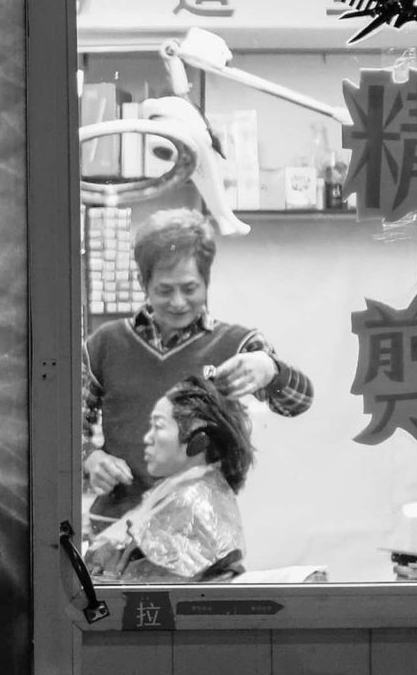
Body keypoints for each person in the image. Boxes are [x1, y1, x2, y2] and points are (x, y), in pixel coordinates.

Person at [83, 207, 310, 524]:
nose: (178, 302)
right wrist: (89, 458)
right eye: (164, 290)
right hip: (117, 527)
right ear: (142, 282)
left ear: (207, 280)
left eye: (190, 288)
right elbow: (62, 425)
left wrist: (271, 371)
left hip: (201, 530)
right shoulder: (106, 343)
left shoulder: (236, 345)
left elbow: (298, 402)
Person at [84, 377, 253, 582]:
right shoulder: (186, 491)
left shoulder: (190, 505)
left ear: (197, 438)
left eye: (159, 426)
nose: (147, 438)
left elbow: (140, 585)